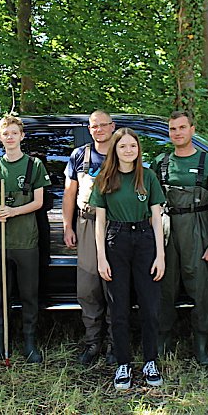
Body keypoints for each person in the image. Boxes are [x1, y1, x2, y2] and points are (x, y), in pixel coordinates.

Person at [91, 128, 166, 389]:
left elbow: (157, 218)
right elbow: (99, 222)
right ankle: (123, 363)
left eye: (132, 146)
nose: (128, 151)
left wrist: (161, 255)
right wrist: (102, 257)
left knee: (149, 307)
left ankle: (150, 361)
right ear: (115, 150)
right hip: (116, 240)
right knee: (119, 308)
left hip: (145, 240)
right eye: (122, 146)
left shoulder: (148, 177)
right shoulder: (105, 178)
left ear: (138, 149)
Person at [154, 111, 208, 365]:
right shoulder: (161, 162)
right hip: (167, 229)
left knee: (203, 289)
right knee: (164, 286)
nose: (177, 133)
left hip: (199, 227)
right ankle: (163, 338)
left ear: (192, 130)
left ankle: (201, 343)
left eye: (182, 128)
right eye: (173, 129)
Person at [0, 115, 51, 363]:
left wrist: (13, 211)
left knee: (28, 294)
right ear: (0, 137)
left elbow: (39, 202)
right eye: (5, 133)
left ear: (22, 136)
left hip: (26, 240)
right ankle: (1, 343)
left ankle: (30, 343)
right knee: (1, 293)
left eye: (14, 133)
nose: (9, 137)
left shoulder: (34, 165)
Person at [63, 110, 116, 365]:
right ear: (90, 128)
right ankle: (93, 341)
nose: (99, 130)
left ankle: (115, 344)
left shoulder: (123, 152)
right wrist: (67, 226)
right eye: (94, 126)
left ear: (112, 126)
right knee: (88, 287)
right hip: (87, 222)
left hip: (117, 225)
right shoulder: (79, 155)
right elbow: (69, 193)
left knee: (115, 286)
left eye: (104, 125)